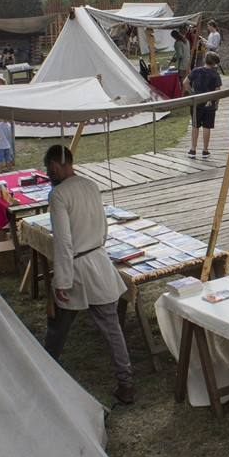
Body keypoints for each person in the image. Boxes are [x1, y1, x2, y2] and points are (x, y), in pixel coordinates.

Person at [42, 144, 135, 405]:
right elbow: (103, 229)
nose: (48, 173)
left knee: (60, 326)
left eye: (48, 168)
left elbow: (63, 240)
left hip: (79, 266)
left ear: (54, 166)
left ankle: (46, 370)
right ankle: (126, 383)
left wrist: (61, 279)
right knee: (110, 327)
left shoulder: (58, 194)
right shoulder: (90, 185)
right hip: (97, 260)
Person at [183, 52, 223, 158]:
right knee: (207, 126)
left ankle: (193, 149)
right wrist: (216, 104)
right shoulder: (215, 74)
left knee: (195, 126)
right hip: (209, 103)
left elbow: (185, 82)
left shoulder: (196, 71)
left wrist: (192, 93)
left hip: (197, 102)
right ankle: (205, 150)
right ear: (214, 63)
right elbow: (217, 91)